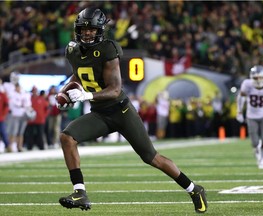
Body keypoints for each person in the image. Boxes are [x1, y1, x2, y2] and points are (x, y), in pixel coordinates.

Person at [57, 8, 207, 213]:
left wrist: (86, 95)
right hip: (100, 114)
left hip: (121, 111)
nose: (87, 33)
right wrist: (65, 93)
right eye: (84, 29)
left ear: (100, 30)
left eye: (92, 29)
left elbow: (115, 89)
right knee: (67, 137)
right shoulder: (73, 50)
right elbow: (78, 75)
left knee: (151, 157)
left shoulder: (108, 49)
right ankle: (80, 192)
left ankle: (193, 189)